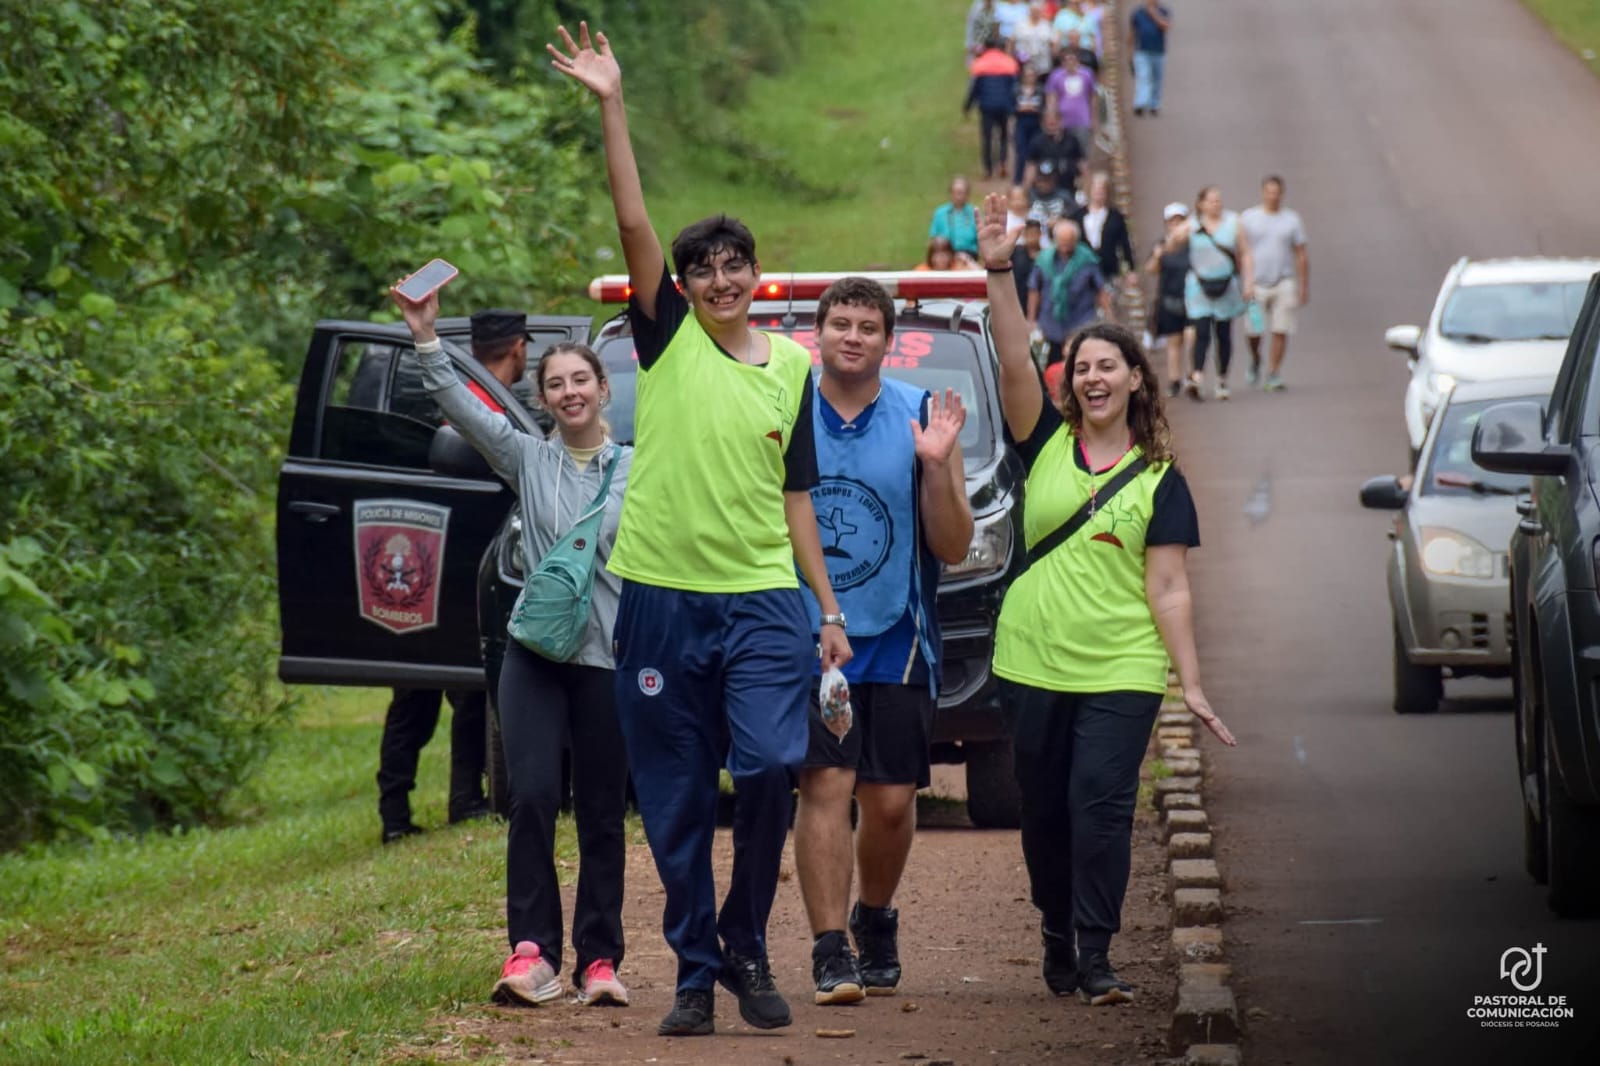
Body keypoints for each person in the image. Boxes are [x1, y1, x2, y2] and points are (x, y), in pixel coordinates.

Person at [548, 23, 852, 1038]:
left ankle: (743, 938)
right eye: (704, 269)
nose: (722, 280)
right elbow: (633, 220)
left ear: (757, 275)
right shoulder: (666, 339)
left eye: (737, 266)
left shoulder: (795, 367)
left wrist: (828, 609)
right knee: (674, 800)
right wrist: (612, 102)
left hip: (764, 599)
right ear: (682, 288)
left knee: (769, 767)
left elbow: (797, 494)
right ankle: (692, 970)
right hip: (659, 601)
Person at [975, 191, 1236, 1006]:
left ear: (1133, 380)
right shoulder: (1042, 445)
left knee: (1102, 808)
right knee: (1045, 811)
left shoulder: (1162, 481)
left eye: (1107, 366)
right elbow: (1014, 357)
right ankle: (1056, 927)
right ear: (1071, 381)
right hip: (1034, 658)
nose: (1093, 376)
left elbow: (1169, 587)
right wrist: (998, 269)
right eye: (1082, 366)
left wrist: (1187, 682)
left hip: (1122, 664)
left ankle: (1096, 952)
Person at [392, 291, 634, 1010]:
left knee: (599, 810)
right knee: (529, 797)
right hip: (534, 654)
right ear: (545, 397)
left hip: (607, 660)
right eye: (554, 384)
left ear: (601, 388)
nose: (568, 392)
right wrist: (427, 338)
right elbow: (468, 410)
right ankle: (532, 954)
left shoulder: (637, 472)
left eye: (579, 380)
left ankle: (599, 961)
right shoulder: (527, 458)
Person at [794, 278, 974, 1005]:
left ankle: (876, 916)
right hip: (811, 637)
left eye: (869, 326)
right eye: (841, 323)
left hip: (898, 637)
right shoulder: (787, 406)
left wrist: (936, 466)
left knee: (893, 800)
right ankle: (830, 947)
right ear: (819, 332)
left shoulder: (921, 414)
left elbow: (954, 544)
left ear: (888, 339)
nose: (854, 336)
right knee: (826, 786)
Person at [376, 313, 528, 842]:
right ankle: (410, 811)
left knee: (452, 693)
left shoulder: (485, 402)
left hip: (458, 569)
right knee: (433, 692)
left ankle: (452, 800)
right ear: (517, 347)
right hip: (447, 572)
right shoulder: (476, 409)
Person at [1169, 185, 1252, 401]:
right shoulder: (1193, 225)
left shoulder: (1233, 222)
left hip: (1226, 283)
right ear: (1201, 204)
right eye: (1211, 200)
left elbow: (1245, 253)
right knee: (1201, 330)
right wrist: (1177, 235)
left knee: (1223, 333)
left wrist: (1249, 283)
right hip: (1199, 285)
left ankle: (1222, 378)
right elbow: (1173, 243)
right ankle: (1197, 376)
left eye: (1218, 200)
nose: (1216, 204)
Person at [1238, 175, 1309, 391]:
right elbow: (1240, 250)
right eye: (1269, 192)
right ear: (1262, 193)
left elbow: (1300, 254)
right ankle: (1256, 359)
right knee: (1254, 330)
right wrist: (1242, 280)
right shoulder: (1249, 218)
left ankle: (1273, 372)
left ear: (1282, 194)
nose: (1273, 196)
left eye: (1276, 192)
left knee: (1281, 328)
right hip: (1256, 283)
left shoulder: (1292, 220)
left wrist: (1303, 284)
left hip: (1284, 280)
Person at [1028, 219, 1110, 366]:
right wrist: (1031, 319)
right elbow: (1034, 289)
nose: (1065, 245)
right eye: (1062, 241)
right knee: (1052, 364)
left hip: (1081, 319)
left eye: (1069, 241)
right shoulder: (1044, 259)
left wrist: (1109, 315)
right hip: (1051, 322)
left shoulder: (1087, 259)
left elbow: (1100, 289)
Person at [1146, 202, 1195, 397]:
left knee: (1192, 338)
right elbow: (1150, 270)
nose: (1176, 224)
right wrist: (1158, 256)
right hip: (1170, 298)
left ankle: (1192, 376)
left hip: (1192, 298)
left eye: (1180, 220)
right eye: (1172, 221)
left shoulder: (1194, 244)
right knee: (1174, 341)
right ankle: (1174, 380)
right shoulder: (1162, 245)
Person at [964, 39, 1020, 181]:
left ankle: (988, 169)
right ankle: (1002, 163)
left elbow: (974, 90)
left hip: (987, 107)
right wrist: (1014, 106)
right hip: (1003, 105)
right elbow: (1014, 88)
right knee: (1003, 135)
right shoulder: (1008, 63)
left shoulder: (980, 64)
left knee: (987, 138)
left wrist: (967, 107)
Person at [1078, 172, 1135, 296]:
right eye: (1096, 189)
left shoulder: (1116, 216)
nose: (1099, 193)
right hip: (1083, 270)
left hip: (1108, 269)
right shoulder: (1078, 215)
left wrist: (1130, 269)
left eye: (1102, 190)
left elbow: (1124, 243)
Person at [1045, 47, 1097, 160]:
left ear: (1077, 60)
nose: (1069, 62)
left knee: (1082, 152)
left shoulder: (1087, 74)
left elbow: (1092, 97)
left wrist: (1093, 118)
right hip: (1063, 120)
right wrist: (1052, 116)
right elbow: (1051, 98)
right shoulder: (1056, 76)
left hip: (1082, 119)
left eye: (1072, 59)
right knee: (1062, 152)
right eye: (1066, 60)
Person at [1128, 1, 1172, 116]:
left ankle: (1154, 104)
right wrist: (1129, 53)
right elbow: (1132, 33)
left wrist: (1153, 14)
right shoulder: (1137, 13)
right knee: (1143, 77)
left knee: (1157, 79)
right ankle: (1140, 103)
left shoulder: (1163, 11)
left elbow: (1165, 26)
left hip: (1158, 51)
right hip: (1141, 51)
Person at [929, 177, 980, 260]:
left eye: (962, 193)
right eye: (956, 193)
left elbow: (980, 240)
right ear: (951, 193)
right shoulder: (940, 213)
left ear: (967, 195)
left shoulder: (974, 213)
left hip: (969, 255)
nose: (958, 197)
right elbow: (933, 238)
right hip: (945, 256)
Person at [1011, 66, 1045, 187]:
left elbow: (1044, 108)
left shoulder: (1041, 90)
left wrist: (1035, 109)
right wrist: (1020, 109)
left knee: (1036, 153)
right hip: (1021, 124)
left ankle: (1036, 180)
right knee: (1021, 153)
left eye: (1032, 75)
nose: (1030, 78)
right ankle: (1018, 180)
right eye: (1027, 75)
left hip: (1036, 124)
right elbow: (1010, 107)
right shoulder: (1016, 90)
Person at [1026, 162, 1074, 228]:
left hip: (1058, 232)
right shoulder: (1030, 195)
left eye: (1048, 180)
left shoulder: (1065, 196)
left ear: (1054, 179)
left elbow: (1073, 217)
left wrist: (1061, 220)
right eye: (1041, 180)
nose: (1045, 183)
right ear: (1036, 180)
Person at [1013, 3, 1056, 77]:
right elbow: (1012, 41)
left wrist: (1053, 56)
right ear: (1029, 11)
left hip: (1042, 63)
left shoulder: (1046, 25)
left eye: (1037, 11)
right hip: (1023, 61)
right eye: (1033, 11)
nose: (1035, 13)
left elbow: (1053, 42)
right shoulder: (1020, 24)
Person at [1012, 217, 1043, 306]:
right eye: (1029, 233)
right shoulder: (1015, 252)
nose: (1032, 236)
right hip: (1017, 300)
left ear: (1040, 234)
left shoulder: (1046, 256)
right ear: (1024, 234)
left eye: (1034, 233)